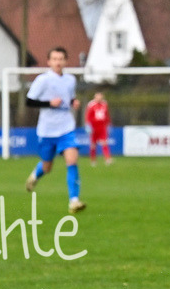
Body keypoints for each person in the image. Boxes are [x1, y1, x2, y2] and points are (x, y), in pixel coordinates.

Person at [24, 47, 86, 213]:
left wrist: (73, 102)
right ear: (49, 61)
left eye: (61, 59)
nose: (58, 62)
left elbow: (69, 98)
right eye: (55, 59)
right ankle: (35, 175)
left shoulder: (70, 80)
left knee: (72, 161)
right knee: (47, 167)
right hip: (47, 130)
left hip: (66, 128)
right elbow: (29, 101)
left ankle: (74, 201)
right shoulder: (43, 80)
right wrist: (49, 103)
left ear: (66, 61)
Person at [84, 92, 112, 165]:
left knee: (104, 142)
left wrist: (108, 124)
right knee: (93, 144)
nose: (99, 98)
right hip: (94, 127)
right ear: (95, 97)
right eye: (97, 97)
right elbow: (88, 115)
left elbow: (107, 115)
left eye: (100, 97)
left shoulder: (104, 104)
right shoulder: (91, 104)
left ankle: (107, 159)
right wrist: (88, 125)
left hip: (102, 126)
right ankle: (93, 160)